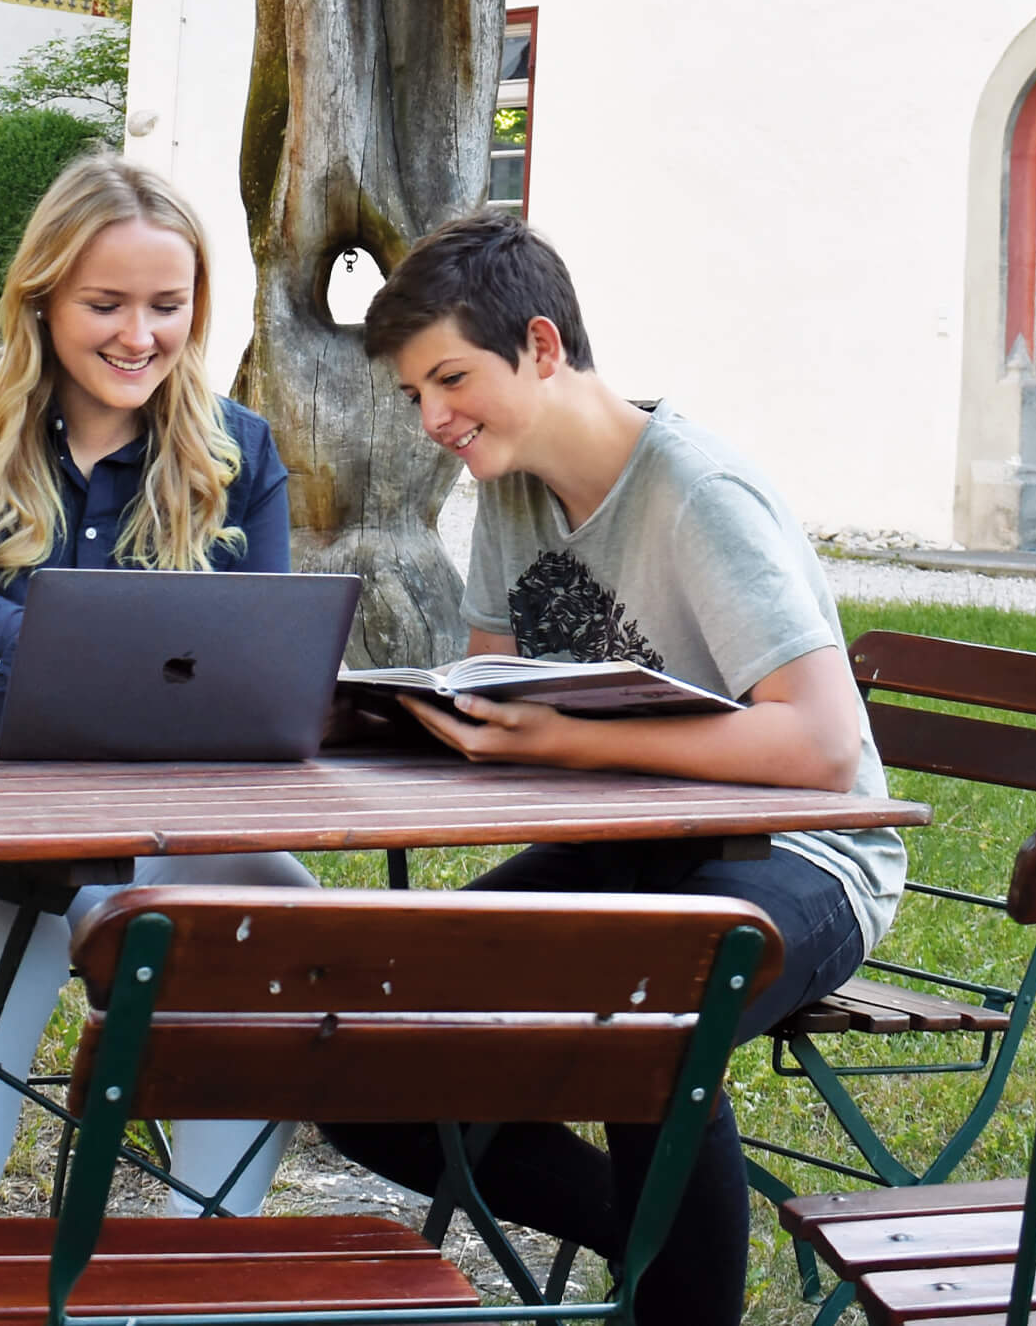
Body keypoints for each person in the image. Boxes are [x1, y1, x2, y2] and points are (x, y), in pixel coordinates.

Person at [333, 213, 906, 1323]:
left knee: (654, 1000)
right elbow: (501, 691)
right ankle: (662, 1243)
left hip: (805, 855)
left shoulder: (698, 493)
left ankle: (675, 1289)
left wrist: (572, 740)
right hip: (628, 849)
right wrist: (422, 722)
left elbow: (826, 747)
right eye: (414, 396)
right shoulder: (506, 489)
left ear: (540, 347)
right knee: (362, 1043)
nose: (433, 418)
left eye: (449, 379)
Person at [0, 153, 314, 1221]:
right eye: (106, 303)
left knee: (276, 908)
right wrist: (97, 654)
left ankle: (204, 1267)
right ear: (42, 294)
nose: (140, 335)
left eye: (166, 305)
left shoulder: (238, 452)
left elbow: (257, 658)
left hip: (144, 819)